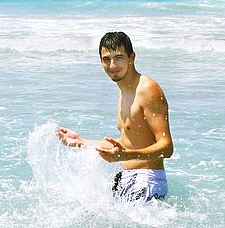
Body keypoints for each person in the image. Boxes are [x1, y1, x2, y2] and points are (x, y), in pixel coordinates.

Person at [57, 31, 174, 201]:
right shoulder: (124, 91)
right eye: (106, 59)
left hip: (146, 179)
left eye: (118, 57)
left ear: (131, 57)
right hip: (126, 178)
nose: (112, 65)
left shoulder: (147, 90)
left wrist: (127, 156)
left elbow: (167, 148)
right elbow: (127, 143)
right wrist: (80, 142)